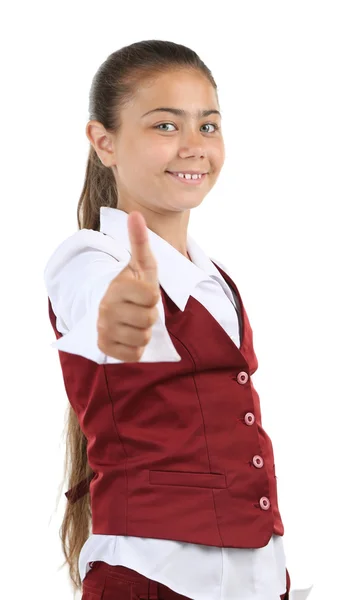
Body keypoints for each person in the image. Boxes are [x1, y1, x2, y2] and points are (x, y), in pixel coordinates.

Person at [43, 39, 309, 600]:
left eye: (208, 127)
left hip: (259, 579)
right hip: (154, 578)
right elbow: (97, 303)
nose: (193, 147)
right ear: (104, 142)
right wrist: (118, 316)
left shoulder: (216, 278)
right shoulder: (90, 260)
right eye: (165, 127)